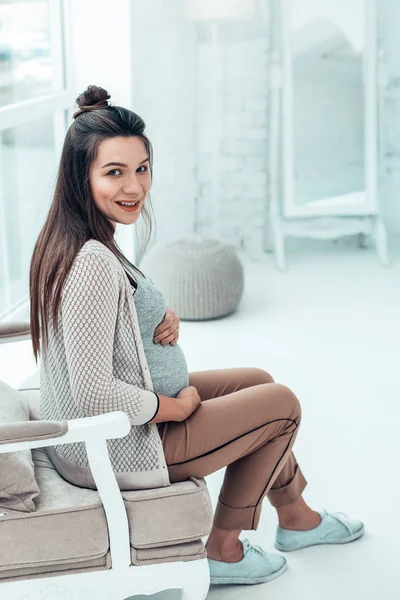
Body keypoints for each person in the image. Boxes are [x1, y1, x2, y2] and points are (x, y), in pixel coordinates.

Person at [29, 85, 364, 586]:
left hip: (119, 426)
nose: (135, 186)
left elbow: (99, 328)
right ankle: (224, 549)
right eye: (114, 172)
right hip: (119, 446)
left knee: (257, 379)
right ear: (80, 177)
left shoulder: (75, 239)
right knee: (282, 403)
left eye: (141, 169)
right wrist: (177, 410)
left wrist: (154, 316)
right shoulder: (92, 262)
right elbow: (95, 391)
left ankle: (295, 515)